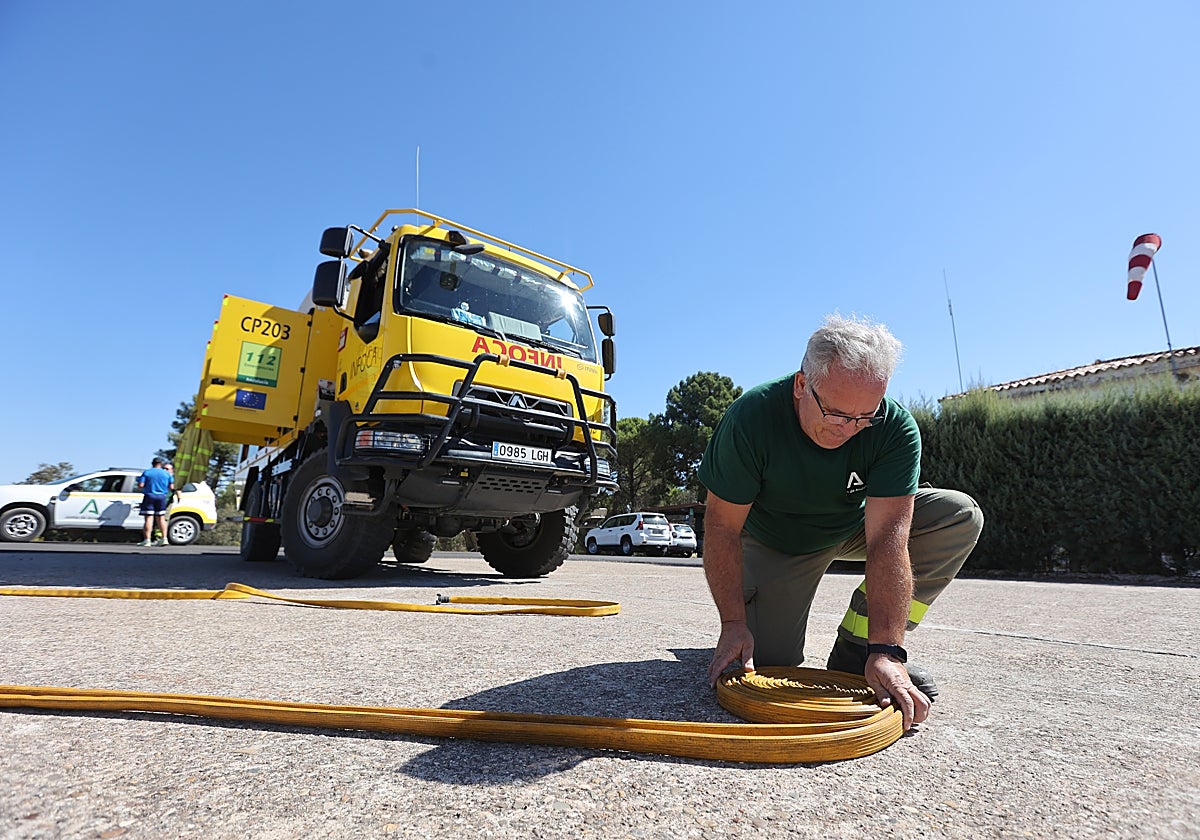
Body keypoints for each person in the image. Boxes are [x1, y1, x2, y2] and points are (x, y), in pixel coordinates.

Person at [698, 314, 983, 731]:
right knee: (766, 665)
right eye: (834, 412)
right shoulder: (751, 418)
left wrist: (888, 649)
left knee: (959, 515)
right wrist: (732, 623)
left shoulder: (894, 428)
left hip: (852, 528)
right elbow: (722, 527)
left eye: (863, 417)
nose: (847, 429)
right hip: (778, 540)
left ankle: (858, 654)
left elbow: (888, 537)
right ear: (801, 385)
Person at [136, 457, 175, 547]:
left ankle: (147, 540)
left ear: (152, 463)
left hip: (150, 495)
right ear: (161, 464)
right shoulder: (167, 474)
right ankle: (164, 538)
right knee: (161, 518)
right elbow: (172, 487)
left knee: (149, 518)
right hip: (162, 497)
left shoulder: (147, 472)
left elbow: (141, 485)